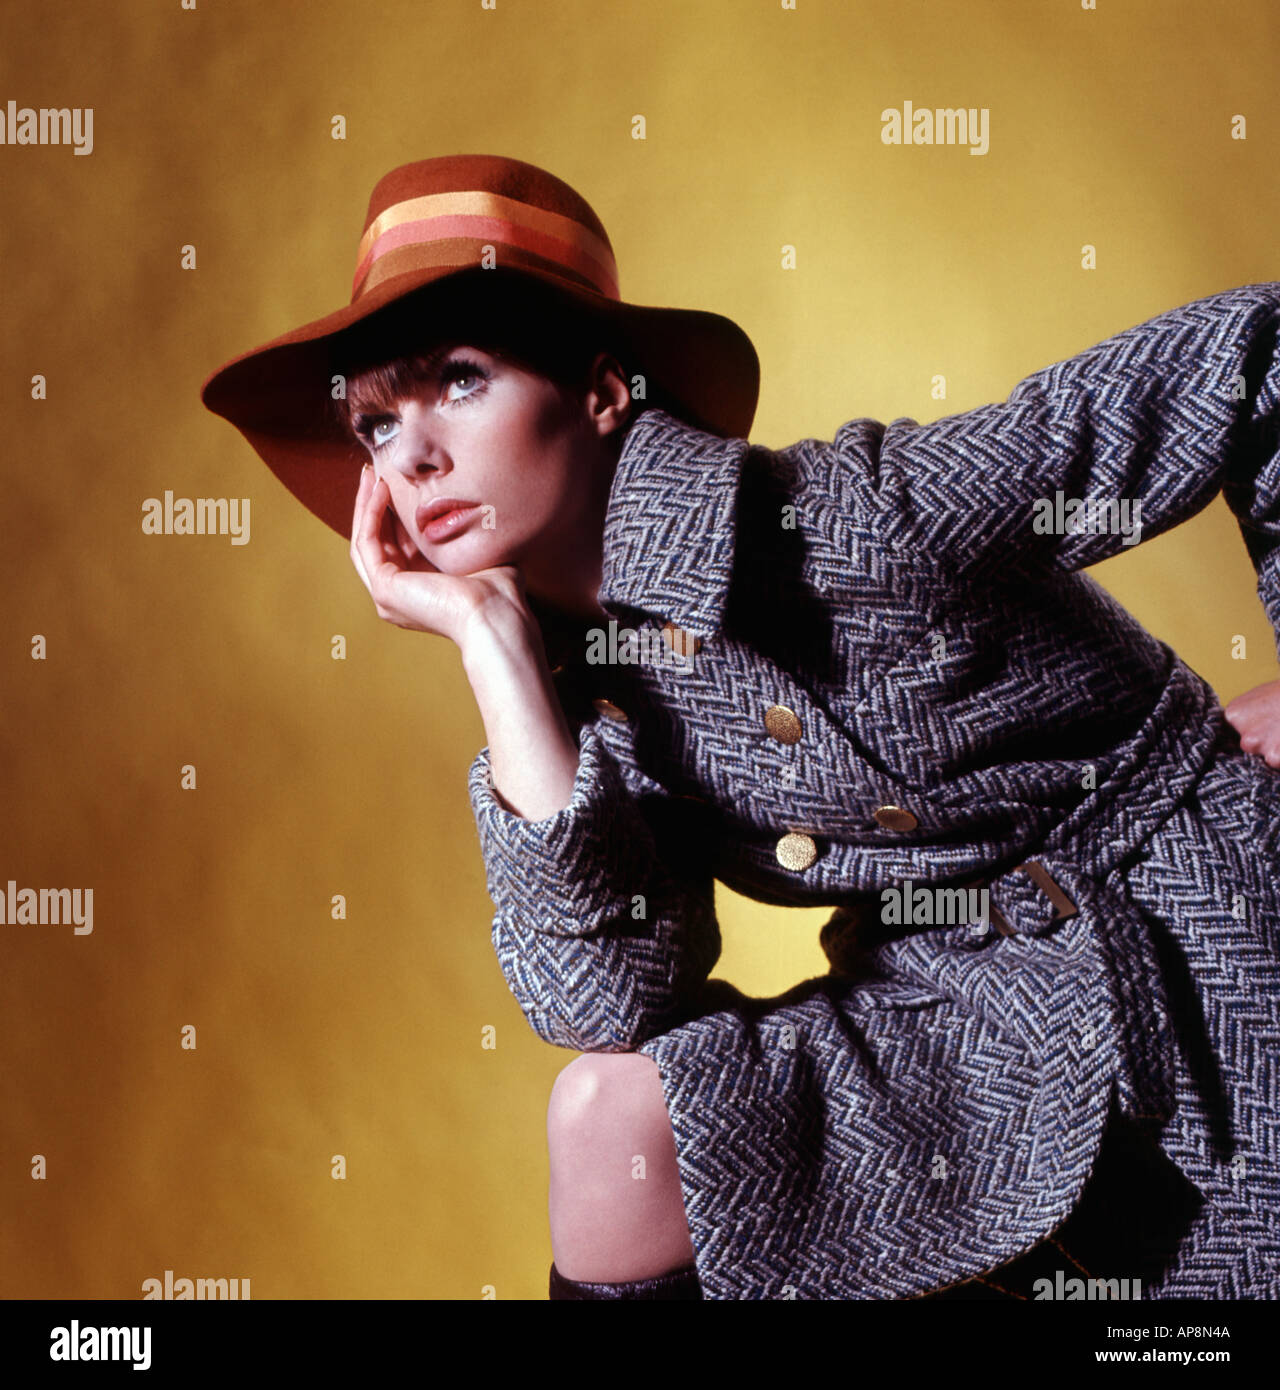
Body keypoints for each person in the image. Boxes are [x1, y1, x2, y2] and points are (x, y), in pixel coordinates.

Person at [202, 153, 1280, 1300]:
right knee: (609, 1122)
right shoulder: (590, 700)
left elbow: (1254, 355)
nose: (413, 456)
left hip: (1202, 931)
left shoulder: (854, 516)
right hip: (953, 1015)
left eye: (459, 380)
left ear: (604, 393)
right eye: (374, 425)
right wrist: (492, 650)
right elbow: (609, 1010)